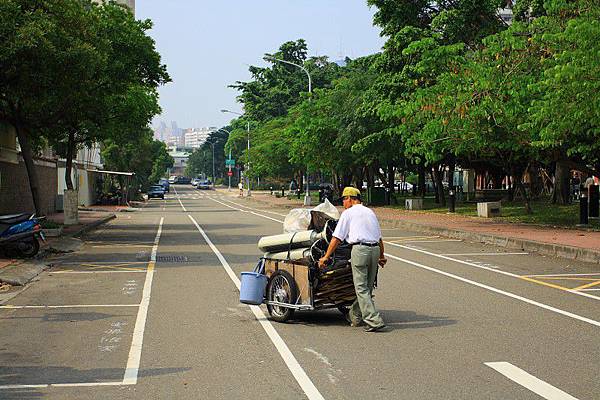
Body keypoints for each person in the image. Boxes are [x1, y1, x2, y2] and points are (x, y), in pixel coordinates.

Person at [318, 187, 387, 332]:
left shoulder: (348, 213)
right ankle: (354, 316)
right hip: (374, 250)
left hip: (360, 250)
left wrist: (326, 256)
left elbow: (336, 238)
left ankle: (374, 320)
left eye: (344, 199)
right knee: (367, 287)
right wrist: (381, 256)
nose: (343, 203)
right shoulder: (370, 212)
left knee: (361, 288)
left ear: (350, 198)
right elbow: (379, 238)